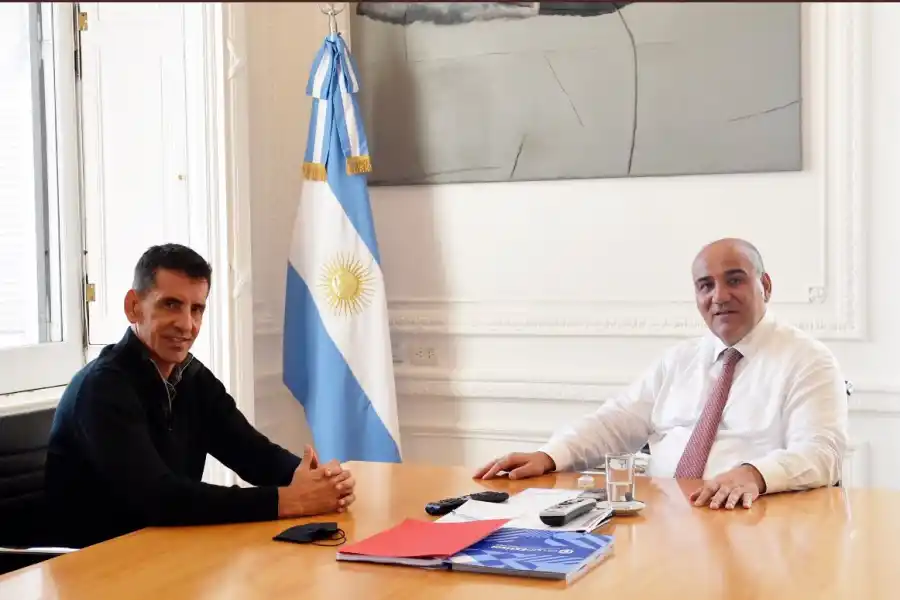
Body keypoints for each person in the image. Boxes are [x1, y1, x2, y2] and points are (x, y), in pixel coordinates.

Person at [474, 238, 849, 511]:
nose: (719, 296)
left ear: (764, 286)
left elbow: (821, 453)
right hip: (663, 520)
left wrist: (754, 475)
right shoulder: (679, 360)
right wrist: (550, 454)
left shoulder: (809, 361)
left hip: (754, 522)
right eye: (706, 285)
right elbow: (616, 421)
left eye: (734, 280)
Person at [45, 244, 355, 548]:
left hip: (164, 550)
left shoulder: (192, 377)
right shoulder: (101, 388)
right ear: (133, 307)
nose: (187, 324)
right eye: (171, 305)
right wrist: (286, 501)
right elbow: (156, 498)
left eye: (196, 309)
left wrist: (320, 481)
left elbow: (252, 453)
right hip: (97, 563)